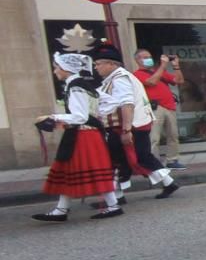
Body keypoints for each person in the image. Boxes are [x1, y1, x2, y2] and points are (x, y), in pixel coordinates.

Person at [32, 52, 121, 222]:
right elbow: (111, 102)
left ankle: (109, 206)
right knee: (77, 170)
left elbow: (79, 116)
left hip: (82, 135)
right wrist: (96, 114)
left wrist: (52, 117)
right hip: (88, 134)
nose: (55, 71)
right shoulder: (84, 85)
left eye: (57, 67)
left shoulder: (76, 87)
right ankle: (64, 209)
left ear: (66, 69)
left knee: (75, 169)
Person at [93, 44, 180, 202]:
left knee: (128, 158)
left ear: (111, 64)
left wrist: (126, 130)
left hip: (130, 125)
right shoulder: (117, 78)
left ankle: (118, 197)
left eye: (99, 63)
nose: (96, 67)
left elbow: (127, 104)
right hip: (131, 124)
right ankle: (167, 183)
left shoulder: (121, 78)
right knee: (132, 158)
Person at [132, 49, 185, 169]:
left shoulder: (159, 71)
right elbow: (151, 82)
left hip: (169, 106)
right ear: (137, 60)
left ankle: (172, 160)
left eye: (149, 56)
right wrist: (163, 66)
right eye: (144, 57)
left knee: (173, 135)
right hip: (155, 108)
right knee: (154, 137)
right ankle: (153, 162)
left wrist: (176, 66)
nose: (148, 59)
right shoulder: (137, 74)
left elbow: (179, 80)